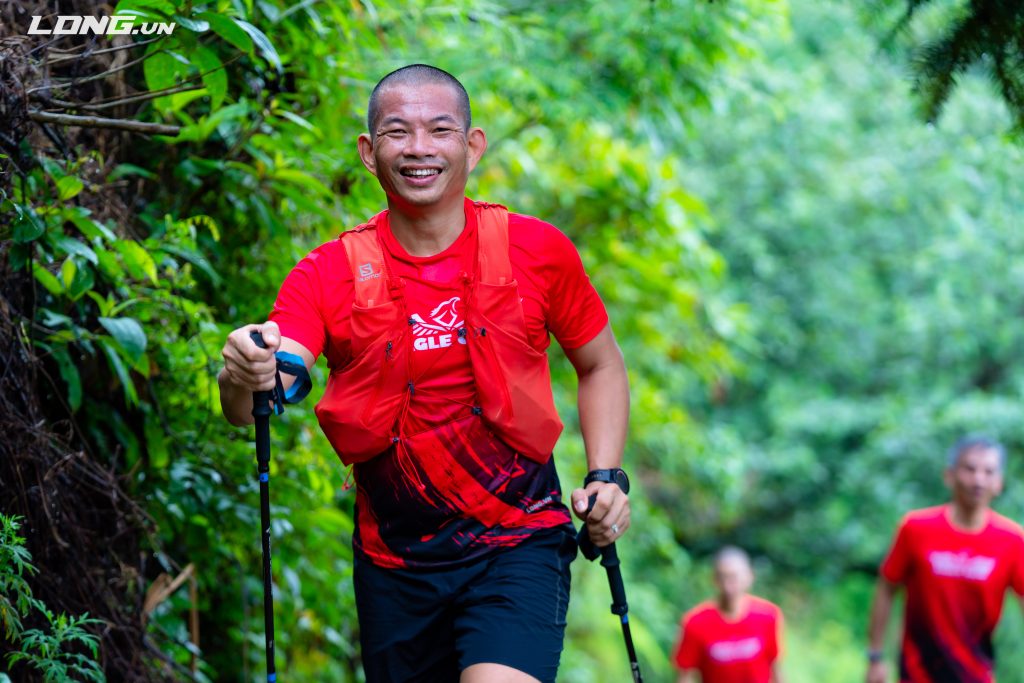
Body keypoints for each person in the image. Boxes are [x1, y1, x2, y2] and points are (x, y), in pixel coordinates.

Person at [217, 64, 631, 683]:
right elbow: (267, 389)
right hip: (395, 565)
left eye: (440, 130)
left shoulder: (537, 251)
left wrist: (605, 475)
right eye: (396, 131)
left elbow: (600, 364)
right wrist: (245, 369)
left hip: (519, 544)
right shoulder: (327, 273)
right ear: (368, 151)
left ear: (472, 145)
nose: (419, 149)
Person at [865, 436, 1024, 683]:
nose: (978, 480)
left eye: (988, 471)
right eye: (969, 469)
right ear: (949, 475)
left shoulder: (1012, 540)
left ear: (999, 483)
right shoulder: (916, 529)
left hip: (975, 674)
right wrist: (875, 657)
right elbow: (887, 587)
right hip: (917, 672)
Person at [672, 546, 784, 683]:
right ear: (714, 580)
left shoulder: (768, 616)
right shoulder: (695, 622)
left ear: (749, 576)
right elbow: (685, 675)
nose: (728, 586)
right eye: (722, 578)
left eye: (734, 577)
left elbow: (776, 667)